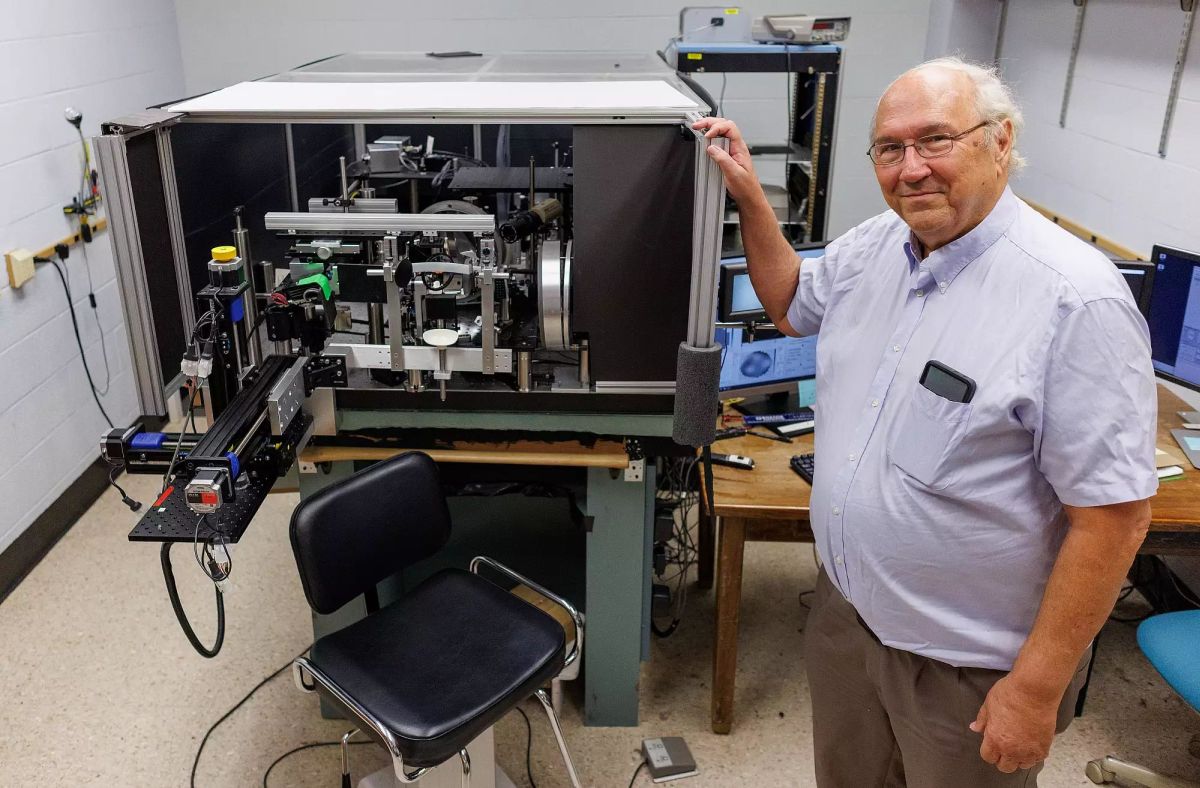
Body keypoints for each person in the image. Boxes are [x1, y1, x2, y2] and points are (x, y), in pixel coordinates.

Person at [694, 56, 1157, 786]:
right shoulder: (876, 246)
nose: (911, 169)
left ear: (1001, 141)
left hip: (963, 668)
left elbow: (1113, 518)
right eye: (890, 148)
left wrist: (1034, 690)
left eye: (936, 140)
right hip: (848, 621)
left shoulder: (1074, 301)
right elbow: (789, 302)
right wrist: (750, 194)